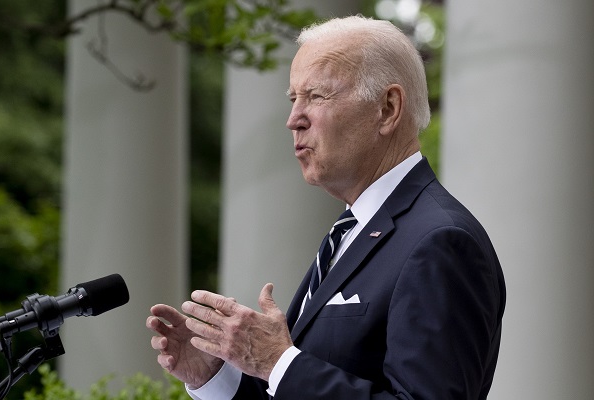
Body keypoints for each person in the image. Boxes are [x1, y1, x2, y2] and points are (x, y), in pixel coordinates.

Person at [146, 15, 505, 400]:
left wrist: (276, 361)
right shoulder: (351, 230)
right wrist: (217, 379)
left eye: (316, 96)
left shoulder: (440, 241)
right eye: (293, 99)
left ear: (387, 108)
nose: (293, 120)